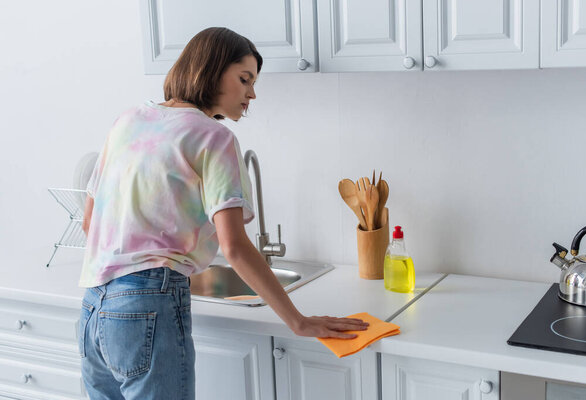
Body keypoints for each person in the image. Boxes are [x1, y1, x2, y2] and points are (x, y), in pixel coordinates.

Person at [78, 27, 368, 400]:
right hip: (149, 304)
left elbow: (90, 223)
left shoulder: (128, 120)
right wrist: (298, 321)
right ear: (211, 70)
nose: (252, 93)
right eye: (244, 79)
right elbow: (234, 247)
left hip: (92, 308)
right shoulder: (213, 137)